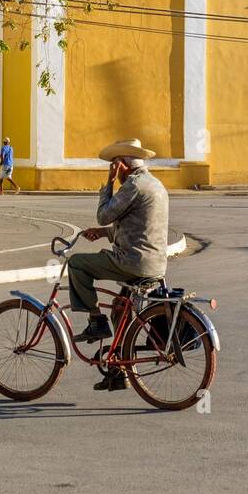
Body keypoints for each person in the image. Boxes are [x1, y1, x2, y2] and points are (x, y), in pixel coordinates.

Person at [68, 138, 168, 392]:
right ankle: (117, 371)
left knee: (78, 264)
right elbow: (138, 228)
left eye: (114, 165)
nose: (113, 170)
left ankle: (94, 322)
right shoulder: (155, 184)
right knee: (120, 309)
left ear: (121, 165)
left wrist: (109, 185)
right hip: (155, 264)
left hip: (132, 263)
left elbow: (104, 214)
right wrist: (104, 234)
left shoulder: (133, 185)